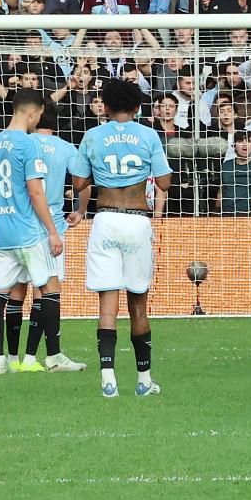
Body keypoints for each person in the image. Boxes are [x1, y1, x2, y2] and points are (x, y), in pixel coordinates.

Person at [75, 78, 171, 398]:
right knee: (138, 305)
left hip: (104, 219)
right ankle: (144, 381)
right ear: (136, 107)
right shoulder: (148, 135)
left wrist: (100, 173)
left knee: (107, 305)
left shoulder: (92, 136)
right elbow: (165, 182)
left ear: (105, 106)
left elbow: (78, 183)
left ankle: (108, 380)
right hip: (136, 220)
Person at [0, 89, 65, 374]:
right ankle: (53, 357)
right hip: (27, 232)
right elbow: (35, 191)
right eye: (40, 115)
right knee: (50, 288)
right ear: (32, 113)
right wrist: (53, 231)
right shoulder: (29, 144)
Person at [21, 105, 89, 372]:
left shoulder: (24, 143)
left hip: (23, 224)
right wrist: (80, 211)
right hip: (52, 226)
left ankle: (24, 357)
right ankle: (53, 356)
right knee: (48, 292)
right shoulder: (65, 147)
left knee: (27, 293)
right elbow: (83, 182)